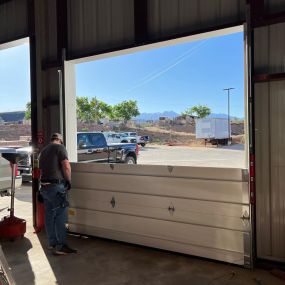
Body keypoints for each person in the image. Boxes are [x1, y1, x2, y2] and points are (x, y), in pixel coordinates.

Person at [39, 133, 77, 255]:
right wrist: (69, 180)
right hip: (56, 187)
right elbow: (66, 165)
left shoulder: (44, 151)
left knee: (49, 215)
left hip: (44, 187)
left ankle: (52, 243)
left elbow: (41, 170)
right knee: (60, 215)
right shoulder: (60, 148)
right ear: (60, 140)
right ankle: (61, 246)